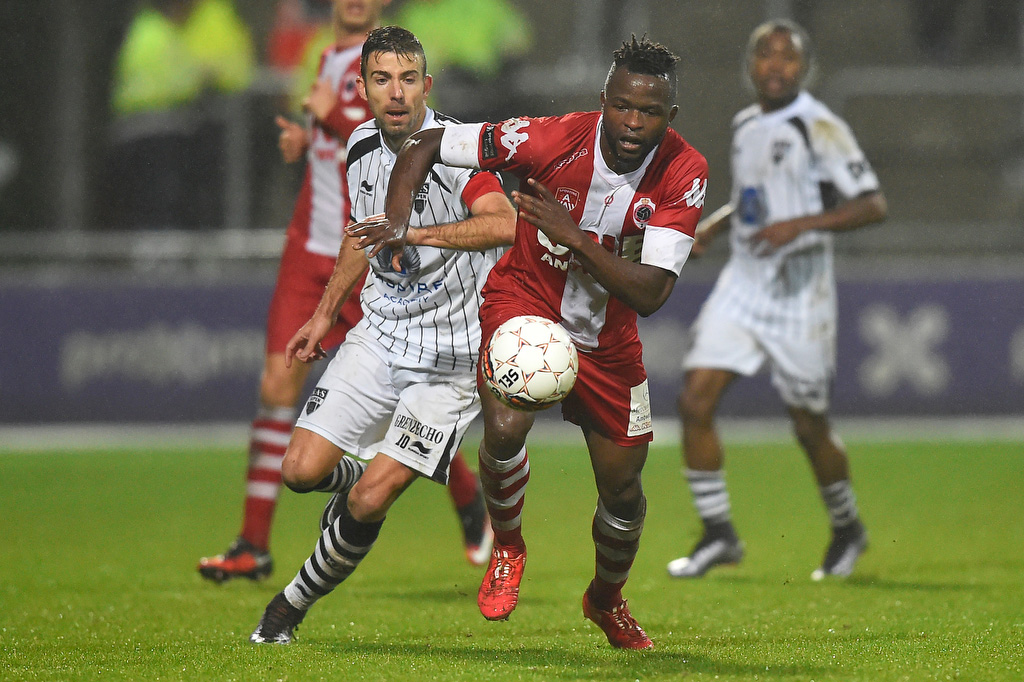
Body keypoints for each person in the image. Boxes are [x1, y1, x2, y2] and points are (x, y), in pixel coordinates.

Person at [354, 35, 708, 649]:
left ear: (669, 116)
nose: (632, 122)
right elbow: (429, 141)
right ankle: (508, 547)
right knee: (505, 431)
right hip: (524, 302)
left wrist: (575, 237)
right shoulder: (552, 137)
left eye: (648, 112)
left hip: (609, 340)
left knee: (624, 491)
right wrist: (400, 215)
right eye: (622, 106)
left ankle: (605, 600)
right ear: (604, 100)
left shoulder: (685, 172)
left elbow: (650, 293)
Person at [197, 2, 492, 585]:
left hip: (386, 256)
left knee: (409, 383)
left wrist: (326, 122)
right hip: (319, 244)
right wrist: (304, 139)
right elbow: (349, 151)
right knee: (278, 383)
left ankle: (466, 500)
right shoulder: (326, 58)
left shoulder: (394, 77)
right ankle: (254, 542)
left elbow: (387, 145)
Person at [248, 26, 516, 644]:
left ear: (427, 84)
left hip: (451, 361)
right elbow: (357, 229)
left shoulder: (455, 152)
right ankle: (373, 469)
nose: (396, 92)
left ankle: (287, 607)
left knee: (368, 502)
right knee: (300, 471)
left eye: (408, 78)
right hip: (379, 336)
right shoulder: (363, 143)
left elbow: (504, 223)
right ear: (364, 89)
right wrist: (322, 314)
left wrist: (415, 235)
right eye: (381, 79)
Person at [665, 20, 887, 582]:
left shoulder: (820, 126)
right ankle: (719, 533)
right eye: (766, 55)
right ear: (751, 65)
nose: (776, 66)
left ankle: (847, 527)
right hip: (744, 284)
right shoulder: (746, 125)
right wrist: (714, 226)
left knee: (808, 425)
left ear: (805, 68)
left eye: (788, 58)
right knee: (694, 401)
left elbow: (871, 204)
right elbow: (750, 197)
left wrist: (800, 225)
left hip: (801, 295)